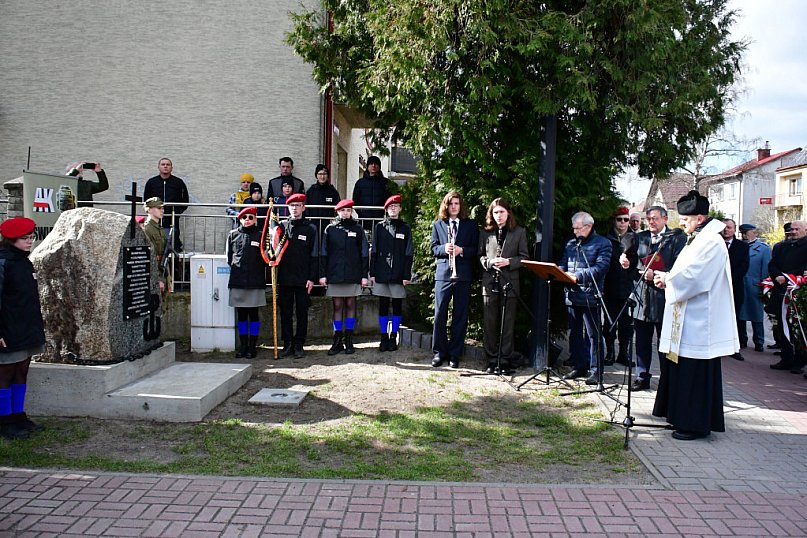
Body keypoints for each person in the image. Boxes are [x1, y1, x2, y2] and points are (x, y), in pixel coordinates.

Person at [652, 190, 738, 441]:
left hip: (700, 321)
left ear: (700, 218)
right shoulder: (698, 238)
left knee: (694, 372)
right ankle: (678, 417)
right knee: (681, 369)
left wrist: (668, 280)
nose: (681, 224)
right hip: (688, 316)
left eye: (685, 220)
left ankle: (695, 424)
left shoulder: (711, 242)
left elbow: (697, 278)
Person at [620, 206, 686, 390]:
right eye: (648, 218)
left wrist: (657, 273)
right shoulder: (640, 238)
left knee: (663, 343)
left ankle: (666, 380)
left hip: (663, 298)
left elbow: (679, 268)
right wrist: (625, 262)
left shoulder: (676, 239)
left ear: (665, 219)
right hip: (642, 298)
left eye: (655, 218)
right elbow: (632, 260)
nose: (651, 222)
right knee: (641, 341)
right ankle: (642, 377)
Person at [0, 218, 46, 440]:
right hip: (8, 329)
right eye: (25, 238)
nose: (30, 241)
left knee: (22, 371)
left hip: (26, 327)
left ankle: (18, 415)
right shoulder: (4, 262)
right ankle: (5, 419)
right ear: (11, 240)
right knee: (5, 374)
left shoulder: (24, 262)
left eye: (31, 237)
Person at [558, 212, 612, 385]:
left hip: (591, 296)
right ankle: (579, 366)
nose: (575, 232)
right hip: (572, 295)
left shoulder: (603, 243)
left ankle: (596, 371)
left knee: (593, 335)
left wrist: (578, 276)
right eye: (573, 228)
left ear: (588, 226)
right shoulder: (571, 244)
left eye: (578, 228)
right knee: (574, 333)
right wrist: (559, 272)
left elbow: (601, 267)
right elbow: (563, 262)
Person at [479, 198, 528, 374]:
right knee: (490, 322)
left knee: (508, 323)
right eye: (495, 212)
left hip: (510, 283)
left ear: (508, 213)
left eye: (501, 212)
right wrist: (490, 262)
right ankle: (491, 359)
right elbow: (480, 256)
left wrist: (508, 261)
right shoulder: (486, 233)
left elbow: (525, 258)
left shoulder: (519, 232)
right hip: (490, 282)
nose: (498, 216)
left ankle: (505, 360)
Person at [430, 192, 479, 369]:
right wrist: (445, 248)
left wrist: (462, 250)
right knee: (439, 314)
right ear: (446, 206)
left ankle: (454, 354)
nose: (454, 206)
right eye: (450, 203)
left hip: (463, 275)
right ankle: (439, 353)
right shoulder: (438, 225)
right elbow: (433, 248)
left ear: (461, 206)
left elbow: (476, 250)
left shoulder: (471, 225)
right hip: (443, 275)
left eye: (457, 203)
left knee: (460, 316)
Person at [319, 199, 369, 355]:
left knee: (351, 305)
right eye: (343, 210)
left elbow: (364, 253)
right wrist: (322, 275)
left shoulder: (358, 229)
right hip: (334, 273)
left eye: (348, 210)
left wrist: (364, 275)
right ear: (337, 212)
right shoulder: (330, 229)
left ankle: (349, 339)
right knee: (338, 306)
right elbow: (324, 253)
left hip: (353, 273)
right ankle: (337, 339)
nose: (345, 213)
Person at [277, 194, 319, 358]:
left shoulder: (310, 228)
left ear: (303, 207)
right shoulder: (281, 227)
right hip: (285, 277)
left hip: (303, 278)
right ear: (288, 207)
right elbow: (274, 250)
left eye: (298, 205)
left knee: (302, 312)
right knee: (285, 312)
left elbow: (314, 254)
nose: (294, 208)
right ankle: (287, 344)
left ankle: (299, 344)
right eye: (292, 205)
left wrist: (311, 278)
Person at [370, 195, 413, 352]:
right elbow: (374, 250)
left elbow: (409, 252)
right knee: (382, 305)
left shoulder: (405, 228)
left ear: (400, 209)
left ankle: (393, 336)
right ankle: (383, 337)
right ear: (386, 210)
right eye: (390, 207)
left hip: (398, 273)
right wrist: (372, 271)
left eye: (396, 206)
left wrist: (407, 274)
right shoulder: (379, 227)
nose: (393, 209)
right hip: (382, 271)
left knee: (396, 306)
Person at [226, 206, 268, 359]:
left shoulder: (260, 235)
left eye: (251, 217)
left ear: (255, 219)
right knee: (242, 316)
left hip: (255, 281)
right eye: (245, 218)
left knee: (253, 314)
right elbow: (229, 258)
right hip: (238, 281)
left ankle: (252, 345)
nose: (248, 220)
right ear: (240, 220)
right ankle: (243, 345)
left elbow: (266, 257)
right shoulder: (233, 235)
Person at [767, 220, 807, 373]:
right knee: (782, 325)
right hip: (781, 289)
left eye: (797, 229)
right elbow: (772, 264)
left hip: (798, 292)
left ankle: (799, 361)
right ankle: (786, 357)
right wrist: (777, 276)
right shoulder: (782, 246)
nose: (794, 232)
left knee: (798, 327)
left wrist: (790, 277)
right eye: (792, 229)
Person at [604, 207, 636, 366]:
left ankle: (624, 353)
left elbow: (639, 261)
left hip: (627, 288)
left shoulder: (634, 238)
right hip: (609, 287)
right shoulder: (607, 238)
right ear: (614, 220)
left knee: (627, 325)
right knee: (609, 323)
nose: (623, 223)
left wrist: (631, 265)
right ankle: (610, 352)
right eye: (619, 219)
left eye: (626, 219)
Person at [738, 223, 771, 353]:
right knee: (740, 315)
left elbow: (766, 269)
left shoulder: (763, 249)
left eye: (747, 233)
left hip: (755, 286)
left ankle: (759, 341)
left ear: (754, 233)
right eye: (743, 233)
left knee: (756, 315)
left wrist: (763, 286)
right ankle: (742, 340)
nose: (744, 236)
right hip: (741, 285)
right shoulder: (740, 247)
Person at [143, 158, 189, 252]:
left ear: (171, 168)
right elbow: (146, 200)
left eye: (168, 165)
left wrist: (177, 212)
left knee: (173, 241)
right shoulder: (151, 182)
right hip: (155, 219)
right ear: (158, 167)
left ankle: (174, 263)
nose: (165, 166)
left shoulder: (178, 182)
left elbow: (185, 200)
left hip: (172, 217)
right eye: (163, 164)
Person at [722, 219, 750, 361]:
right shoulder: (715, 244)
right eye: (724, 227)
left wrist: (729, 279)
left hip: (735, 287)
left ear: (734, 229)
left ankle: (735, 348)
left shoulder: (742, 247)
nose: (726, 230)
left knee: (736, 318)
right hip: (717, 288)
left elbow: (744, 266)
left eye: (729, 227)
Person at [352, 155, 392, 229]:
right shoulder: (360, 183)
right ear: (367, 166)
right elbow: (355, 200)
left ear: (379, 166)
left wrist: (385, 214)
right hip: (364, 220)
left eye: (376, 164)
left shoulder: (386, 183)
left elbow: (390, 200)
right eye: (371, 164)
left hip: (381, 220)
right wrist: (361, 213)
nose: (373, 166)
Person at [305, 164, 341, 236]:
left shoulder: (332, 191)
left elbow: (338, 207)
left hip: (328, 225)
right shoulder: (311, 191)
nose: (322, 176)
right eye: (320, 174)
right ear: (316, 176)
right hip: (313, 225)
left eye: (325, 174)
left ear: (328, 176)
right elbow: (306, 208)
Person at [142, 197, 168, 294]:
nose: (162, 210)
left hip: (161, 269)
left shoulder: (159, 228)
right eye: (158, 208)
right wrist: (157, 279)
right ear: (149, 210)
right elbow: (149, 257)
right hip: (153, 272)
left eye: (162, 208)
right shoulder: (147, 229)